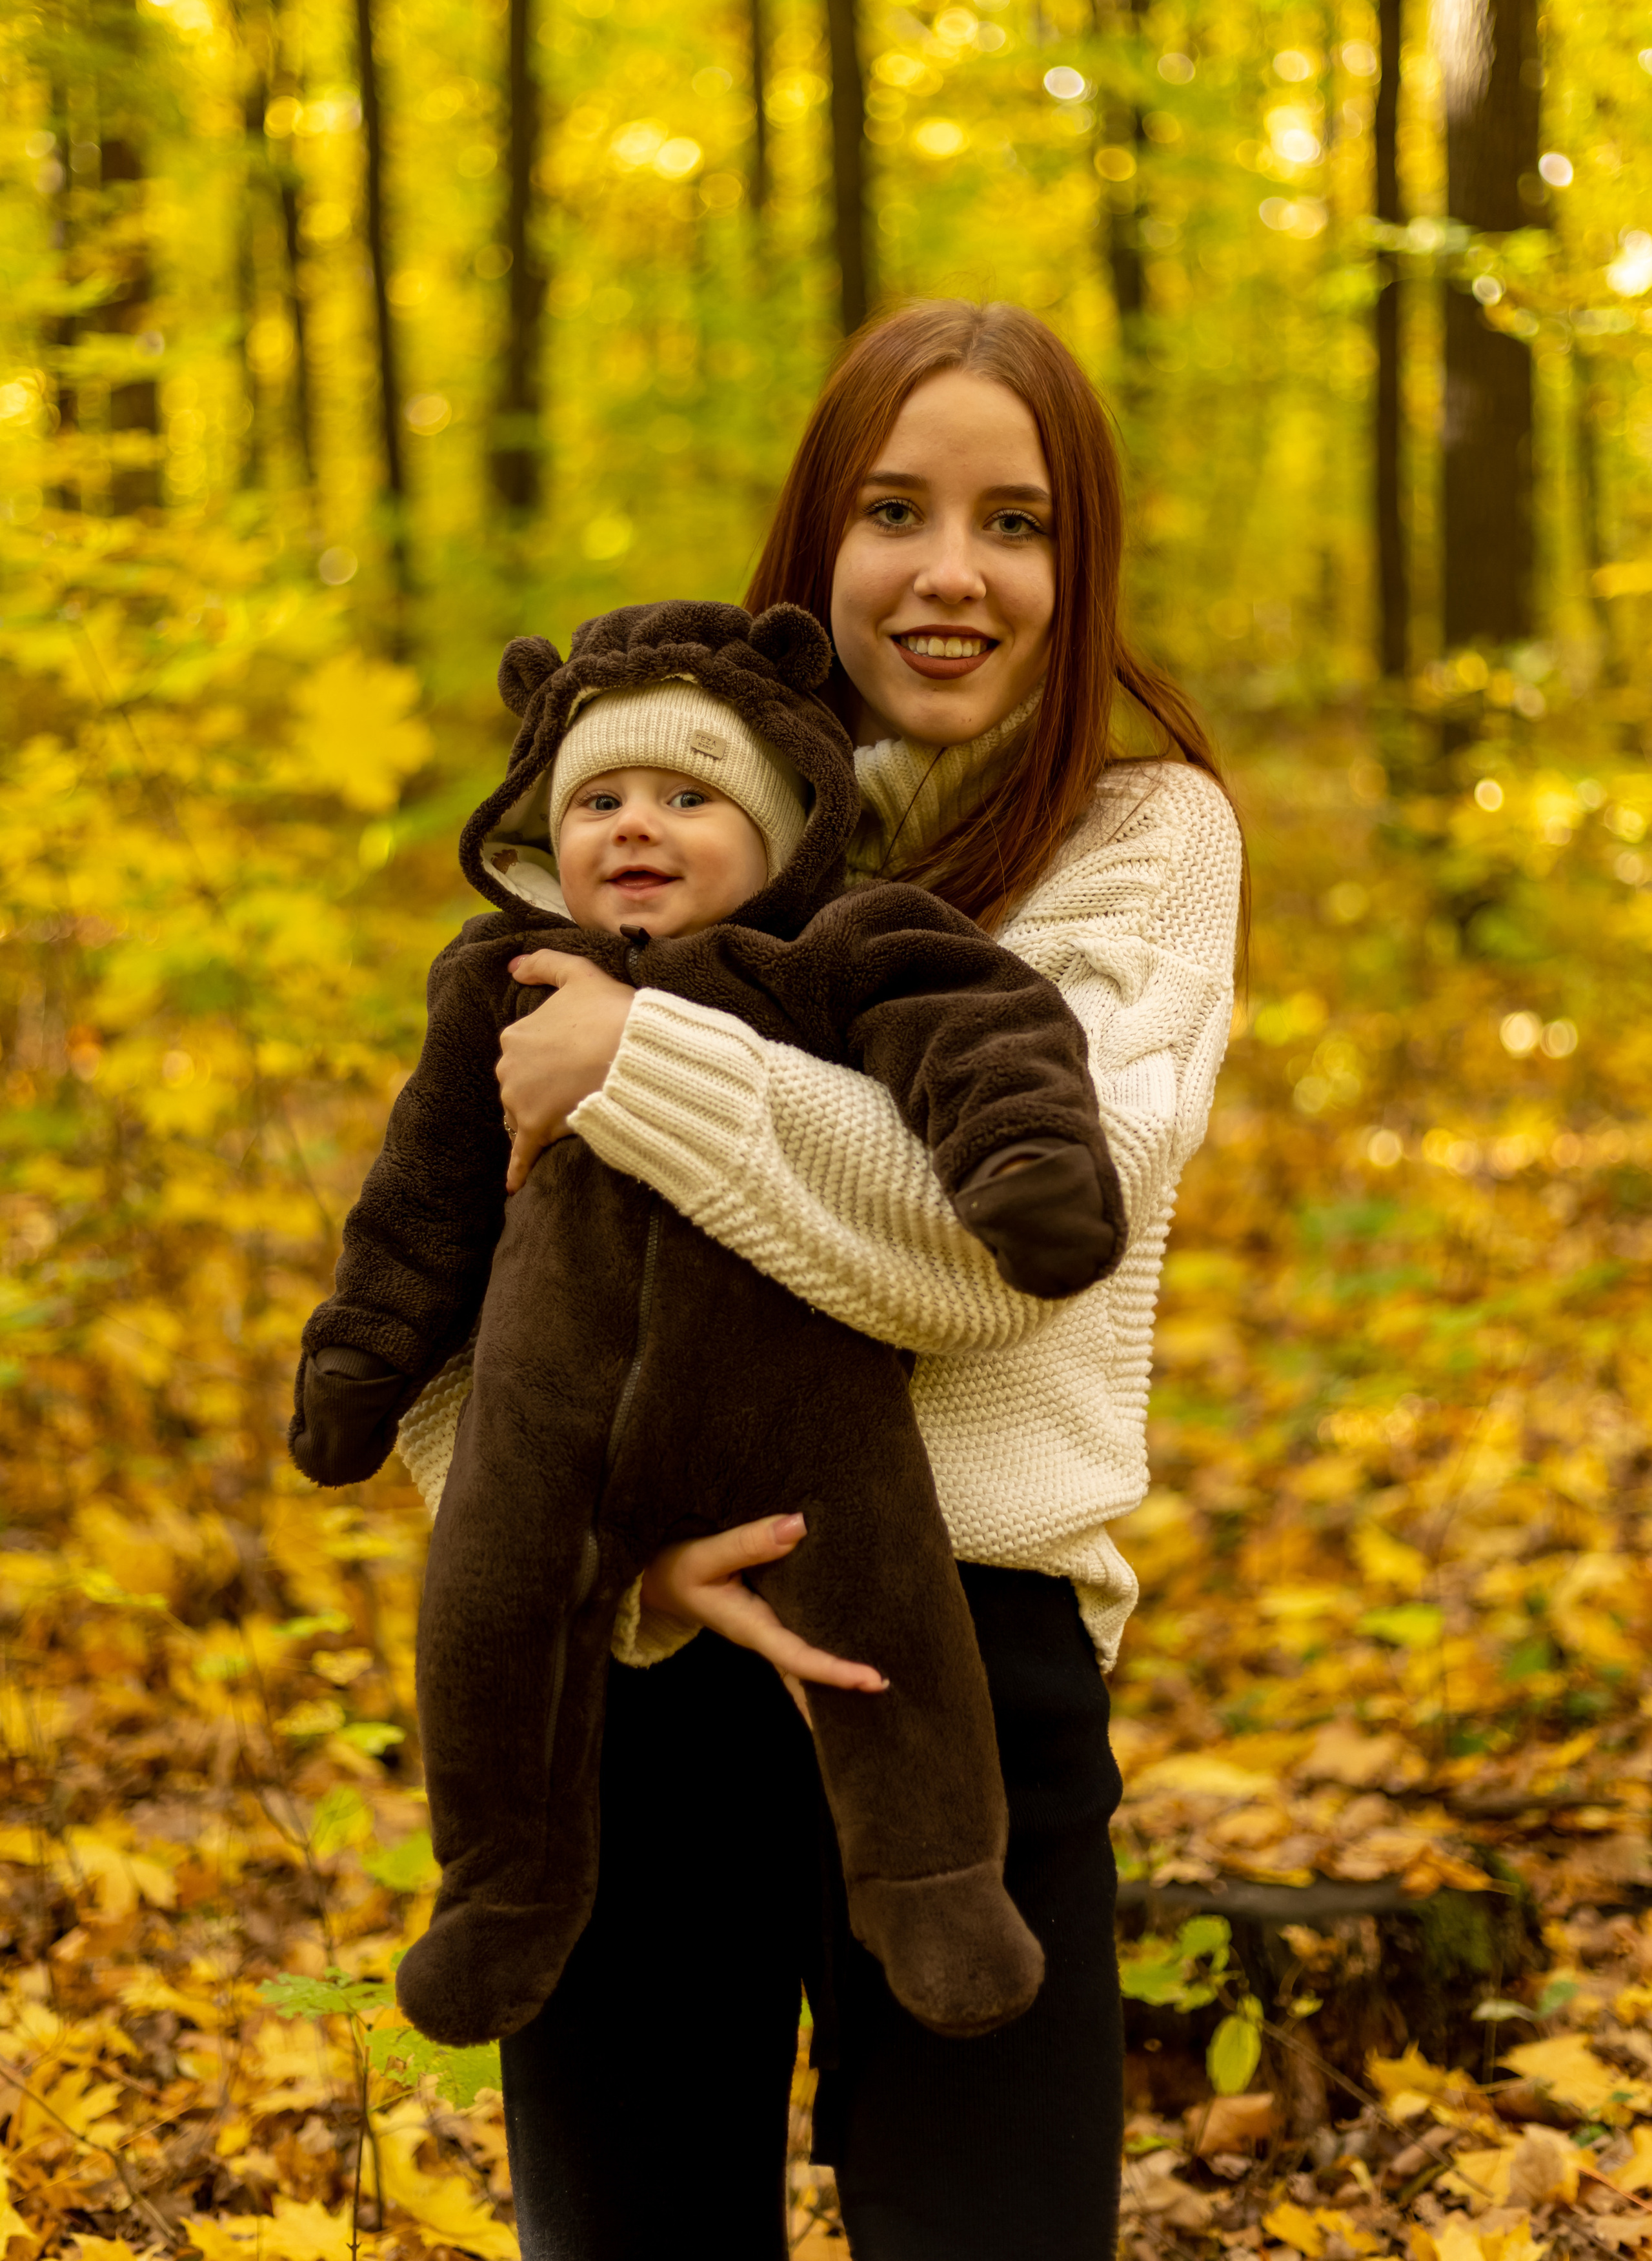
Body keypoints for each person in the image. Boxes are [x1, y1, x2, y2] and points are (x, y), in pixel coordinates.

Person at [435, 301, 1245, 2258]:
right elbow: (464, 1311)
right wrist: (623, 1582)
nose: (954, 571)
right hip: (642, 1686)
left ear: (1082, 563)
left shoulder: (1143, 843)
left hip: (976, 1669)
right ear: (816, 549)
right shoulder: (649, 819)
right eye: (896, 510)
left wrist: (645, 1064)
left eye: (1016, 522)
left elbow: (1027, 1249)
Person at [288, 594, 1125, 2053]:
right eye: (598, 798)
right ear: (541, 834)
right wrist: (362, 1356)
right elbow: (420, 1200)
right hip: (549, 1426)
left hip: (796, 1419)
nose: (636, 825)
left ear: (785, 819)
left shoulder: (821, 952)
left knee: (887, 1629)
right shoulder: (493, 986)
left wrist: (1024, 1163)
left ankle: (931, 1876)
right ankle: (501, 1892)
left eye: (689, 796)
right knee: (485, 1622)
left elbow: (976, 1024)